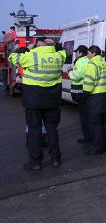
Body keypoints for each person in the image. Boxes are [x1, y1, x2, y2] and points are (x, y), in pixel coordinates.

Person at [9, 37, 66, 170]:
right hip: (53, 100)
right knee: (52, 129)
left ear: (37, 45)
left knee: (34, 130)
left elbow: (12, 57)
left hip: (34, 100)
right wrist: (54, 44)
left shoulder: (31, 56)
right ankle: (56, 159)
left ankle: (36, 162)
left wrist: (27, 49)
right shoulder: (58, 57)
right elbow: (63, 51)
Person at [81, 45, 106, 155]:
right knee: (102, 123)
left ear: (93, 53)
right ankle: (103, 145)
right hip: (104, 95)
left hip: (95, 97)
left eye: (88, 53)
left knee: (95, 124)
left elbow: (89, 82)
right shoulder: (105, 63)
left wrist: (84, 95)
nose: (87, 55)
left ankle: (97, 147)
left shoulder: (92, 64)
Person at [68, 45, 91, 143]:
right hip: (86, 89)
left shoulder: (81, 61)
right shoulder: (88, 60)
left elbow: (77, 76)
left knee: (84, 116)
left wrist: (70, 71)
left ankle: (87, 137)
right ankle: (89, 135)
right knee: (88, 115)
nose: (75, 54)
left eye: (76, 52)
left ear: (80, 53)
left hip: (79, 90)